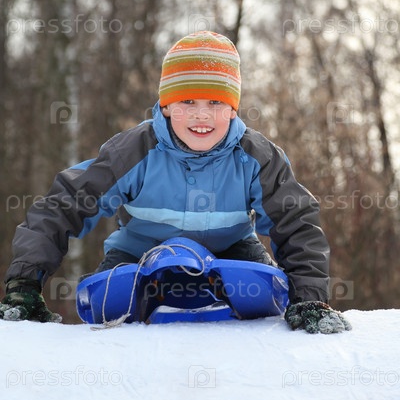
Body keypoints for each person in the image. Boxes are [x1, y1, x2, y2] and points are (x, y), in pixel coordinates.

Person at [0, 31, 351, 333]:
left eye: (216, 102)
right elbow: (65, 204)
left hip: (232, 251)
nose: (201, 114)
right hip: (138, 252)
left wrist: (309, 298)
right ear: (166, 106)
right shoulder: (133, 151)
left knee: (268, 290)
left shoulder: (256, 157)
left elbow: (296, 221)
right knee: (108, 299)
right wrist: (24, 283)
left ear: (233, 109)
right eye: (187, 101)